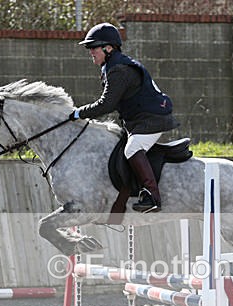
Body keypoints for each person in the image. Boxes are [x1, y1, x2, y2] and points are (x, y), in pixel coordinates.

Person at [70, 22, 179, 213]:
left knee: (132, 148)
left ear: (108, 48)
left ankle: (153, 197)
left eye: (94, 47)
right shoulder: (112, 66)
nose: (91, 51)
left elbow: (106, 104)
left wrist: (79, 113)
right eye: (89, 48)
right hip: (141, 119)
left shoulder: (119, 69)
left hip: (152, 119)